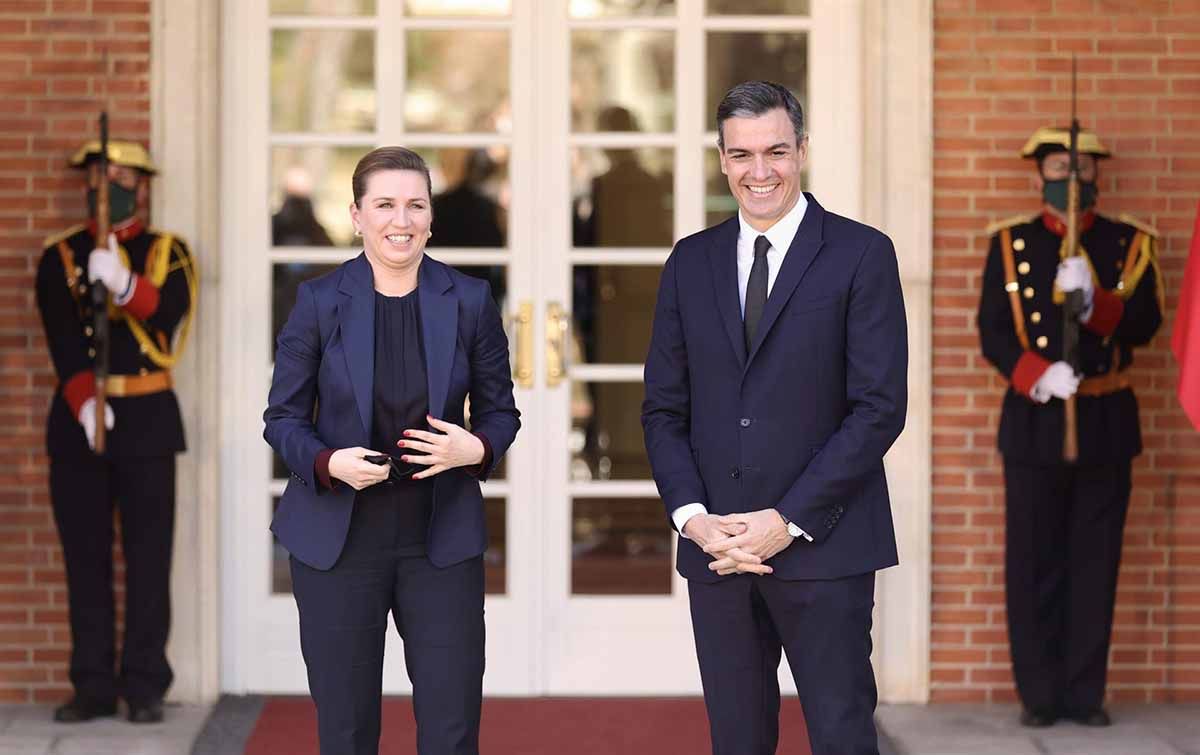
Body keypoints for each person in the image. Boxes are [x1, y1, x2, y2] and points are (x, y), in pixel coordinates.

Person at [641, 81, 908, 755]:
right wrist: (693, 517)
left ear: (803, 150)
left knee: (843, 735)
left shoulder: (861, 253)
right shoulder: (689, 262)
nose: (760, 172)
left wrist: (784, 521)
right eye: (742, 154)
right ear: (722, 158)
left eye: (776, 152)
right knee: (737, 740)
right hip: (719, 549)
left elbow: (879, 408)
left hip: (827, 546)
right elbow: (664, 408)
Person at [263, 146, 520, 755]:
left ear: (431, 217)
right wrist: (329, 463)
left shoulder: (469, 301)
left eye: (414, 205)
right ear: (356, 215)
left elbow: (500, 413)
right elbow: (283, 419)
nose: (399, 220)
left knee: (451, 727)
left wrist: (475, 449)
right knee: (347, 731)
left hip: (440, 539)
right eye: (384, 205)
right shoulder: (318, 301)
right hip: (339, 542)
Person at [977, 127, 1162, 728]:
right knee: (1034, 563)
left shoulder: (1128, 242)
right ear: (1039, 175)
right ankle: (1039, 695)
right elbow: (993, 332)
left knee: (1095, 562)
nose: (1071, 177)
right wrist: (1037, 373)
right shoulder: (1011, 243)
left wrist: (1095, 304)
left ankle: (1085, 695)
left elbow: (1144, 326)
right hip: (1034, 419)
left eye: (1081, 166)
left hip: (1105, 419)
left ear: (1097, 174)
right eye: (1059, 165)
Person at [35, 140, 197, 724]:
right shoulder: (62, 255)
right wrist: (82, 400)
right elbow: (60, 333)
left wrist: (126, 285)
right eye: (104, 176)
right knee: (86, 559)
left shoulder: (165, 252)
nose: (112, 185)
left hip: (148, 423)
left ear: (143, 186)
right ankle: (93, 683)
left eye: (124, 176)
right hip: (82, 424)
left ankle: (145, 683)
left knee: (149, 558)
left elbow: (172, 314)